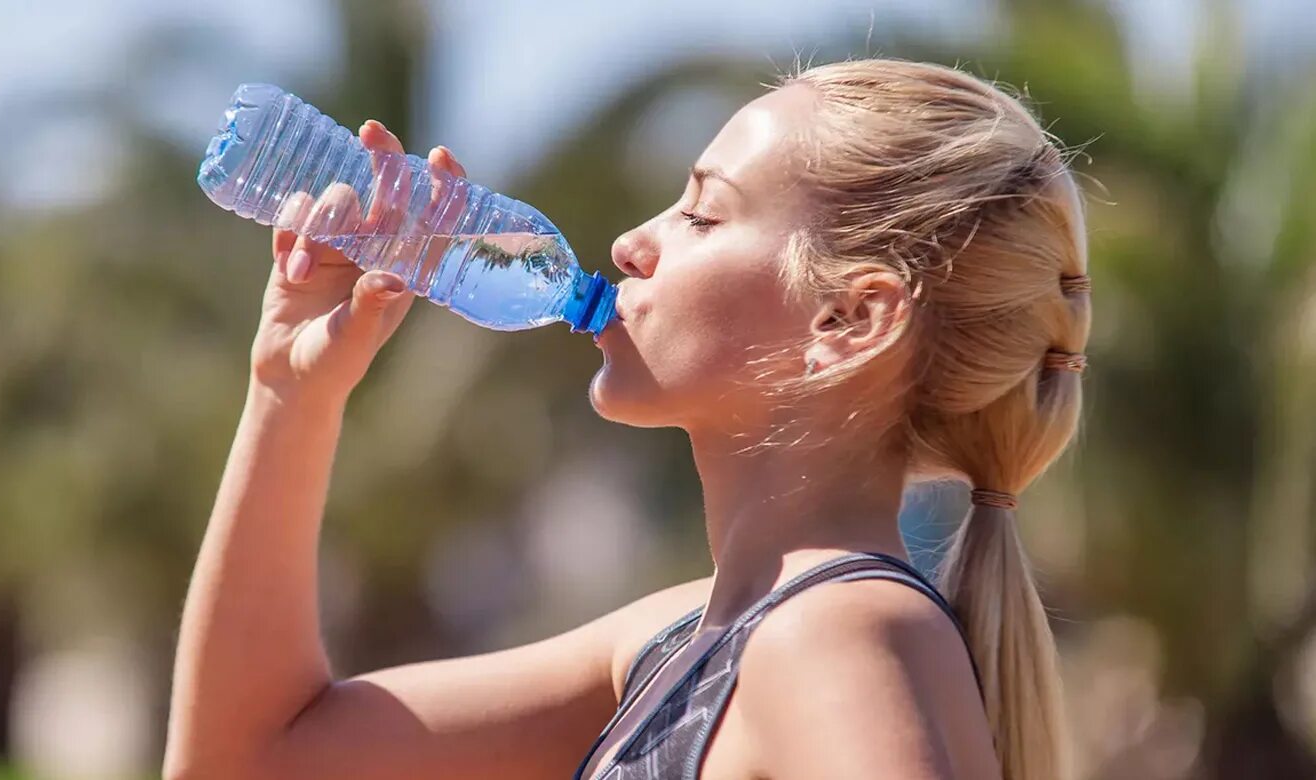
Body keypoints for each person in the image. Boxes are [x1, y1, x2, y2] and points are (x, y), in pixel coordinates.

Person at [165, 58, 1091, 780]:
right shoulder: (686, 641)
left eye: (701, 214)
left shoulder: (838, 634)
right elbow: (250, 759)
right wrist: (290, 391)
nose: (627, 244)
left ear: (847, 320)